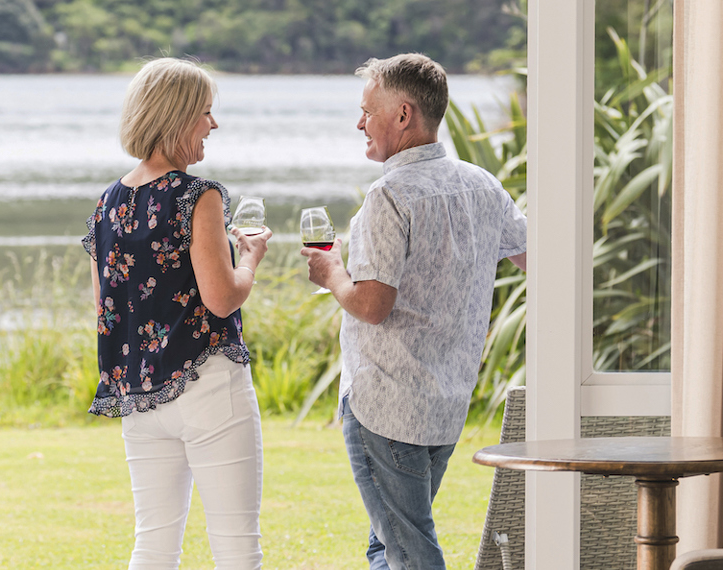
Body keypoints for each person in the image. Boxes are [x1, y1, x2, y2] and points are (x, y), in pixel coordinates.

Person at [302, 53, 529, 570]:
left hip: (387, 406)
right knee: (388, 543)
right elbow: (528, 254)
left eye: (367, 110)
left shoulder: (390, 196)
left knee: (409, 550)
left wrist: (332, 272)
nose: (359, 122)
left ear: (403, 115)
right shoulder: (481, 184)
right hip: (445, 404)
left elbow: (372, 305)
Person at [83, 57, 273, 570]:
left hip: (141, 398)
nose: (213, 124)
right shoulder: (198, 195)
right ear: (178, 115)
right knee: (237, 547)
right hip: (209, 386)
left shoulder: (107, 204)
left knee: (153, 545)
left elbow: (104, 306)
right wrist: (250, 260)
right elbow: (222, 299)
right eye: (206, 112)